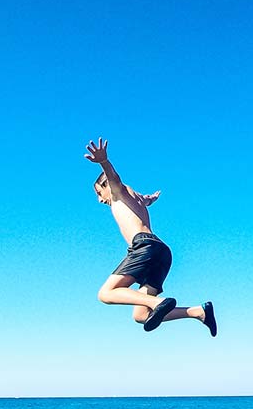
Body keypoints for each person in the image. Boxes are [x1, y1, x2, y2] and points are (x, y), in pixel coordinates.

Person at [86, 137, 217, 335]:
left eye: (99, 193)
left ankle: (158, 302)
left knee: (105, 294)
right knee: (140, 316)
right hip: (161, 253)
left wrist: (104, 162)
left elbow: (113, 178)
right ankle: (199, 312)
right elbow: (145, 200)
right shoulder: (134, 198)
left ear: (106, 187)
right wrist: (151, 198)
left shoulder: (117, 192)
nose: (99, 199)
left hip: (144, 247)